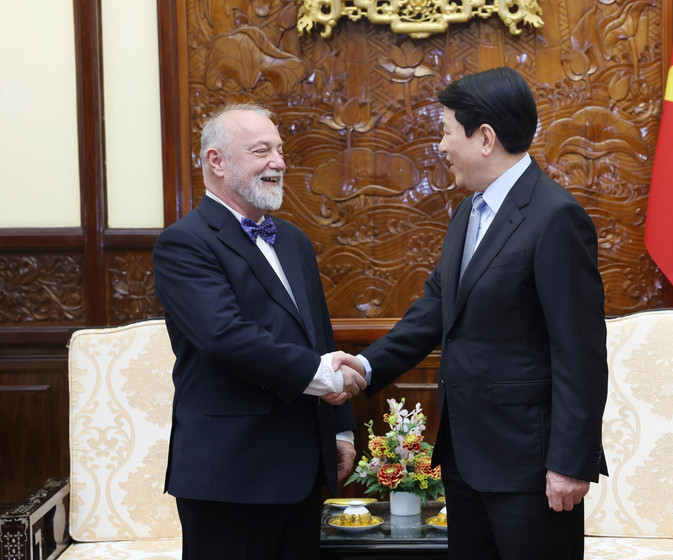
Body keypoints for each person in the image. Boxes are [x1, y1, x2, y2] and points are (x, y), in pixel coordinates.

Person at [340, 68, 608, 559]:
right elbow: (433, 311)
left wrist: (571, 463)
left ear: (484, 138)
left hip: (531, 465)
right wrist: (366, 366)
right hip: (465, 458)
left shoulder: (555, 216)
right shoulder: (468, 213)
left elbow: (580, 351)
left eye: (445, 132)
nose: (440, 147)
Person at [153, 103, 366, 560]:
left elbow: (319, 337)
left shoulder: (293, 240)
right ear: (217, 162)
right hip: (230, 476)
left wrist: (341, 431)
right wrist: (323, 375)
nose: (279, 162)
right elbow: (223, 336)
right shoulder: (184, 242)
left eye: (280, 150)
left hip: (302, 470)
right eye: (261, 151)